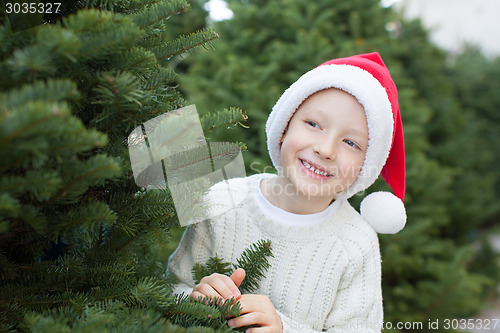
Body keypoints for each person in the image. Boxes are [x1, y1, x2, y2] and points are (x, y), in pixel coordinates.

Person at [167, 52, 407, 332]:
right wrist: (193, 299)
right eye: (313, 124)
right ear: (284, 127)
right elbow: (170, 289)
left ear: (366, 166)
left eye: (350, 142)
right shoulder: (223, 202)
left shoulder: (355, 245)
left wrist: (283, 328)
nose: (325, 149)